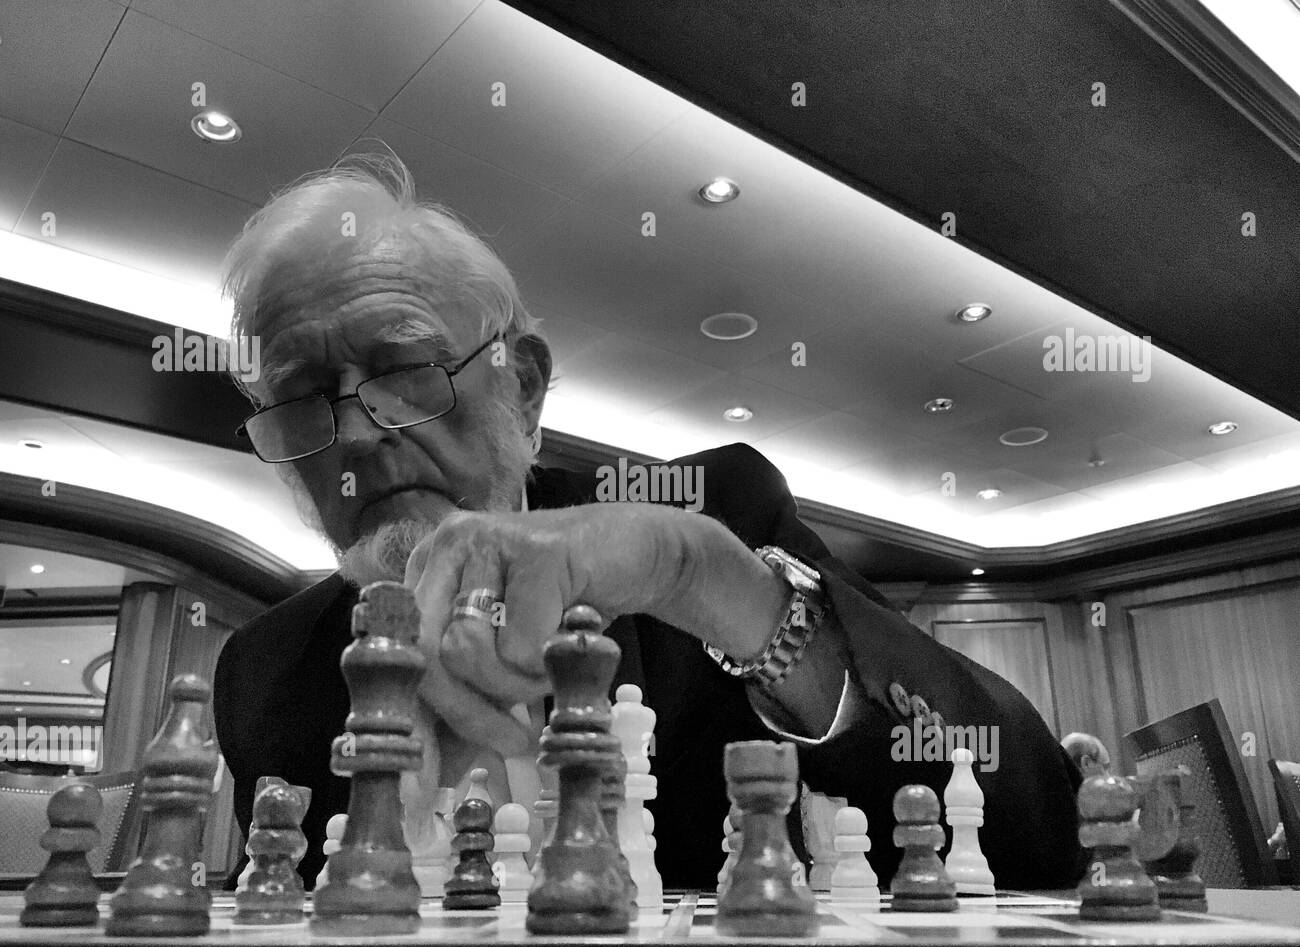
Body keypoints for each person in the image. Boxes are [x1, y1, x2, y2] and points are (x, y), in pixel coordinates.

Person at [212, 154, 1083, 890]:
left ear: (523, 390)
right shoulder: (262, 675)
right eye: (301, 401)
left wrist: (707, 582)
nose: (358, 435)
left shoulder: (716, 524)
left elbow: (1038, 834)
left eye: (403, 372)